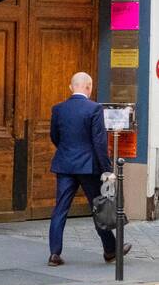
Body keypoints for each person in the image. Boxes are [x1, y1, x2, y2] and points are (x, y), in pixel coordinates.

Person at [47, 72, 130, 266]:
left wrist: (67, 152)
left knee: (60, 209)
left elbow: (54, 136)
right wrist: (107, 170)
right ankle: (110, 250)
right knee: (98, 207)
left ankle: (54, 253)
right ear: (89, 86)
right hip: (87, 166)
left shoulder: (58, 109)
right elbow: (99, 143)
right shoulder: (94, 109)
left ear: (71, 87)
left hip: (65, 165)